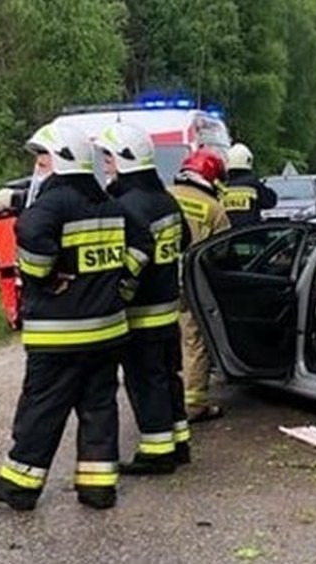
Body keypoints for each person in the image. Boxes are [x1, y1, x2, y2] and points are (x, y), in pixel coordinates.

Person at [0, 122, 154, 511]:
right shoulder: (110, 204)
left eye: (43, 157)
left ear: (60, 159)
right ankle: (97, 488)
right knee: (99, 409)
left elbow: (29, 232)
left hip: (59, 336)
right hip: (107, 330)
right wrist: (120, 286)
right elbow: (143, 244)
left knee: (41, 408)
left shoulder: (53, 204)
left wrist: (42, 276)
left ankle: (19, 485)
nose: (40, 166)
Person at [95, 123, 192, 475]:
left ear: (123, 159)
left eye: (108, 156)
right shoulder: (164, 198)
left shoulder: (128, 205)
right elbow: (185, 240)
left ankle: (157, 452)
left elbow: (134, 260)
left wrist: (116, 293)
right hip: (167, 310)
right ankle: (179, 443)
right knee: (168, 377)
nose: (105, 162)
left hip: (141, 314)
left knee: (145, 382)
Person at [169, 148, 231, 422]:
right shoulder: (214, 209)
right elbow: (223, 253)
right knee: (194, 342)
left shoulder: (165, 195)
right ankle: (194, 405)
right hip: (192, 286)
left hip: (157, 283)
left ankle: (162, 401)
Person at [220, 142, 277, 227]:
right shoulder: (253, 185)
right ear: (248, 161)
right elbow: (271, 201)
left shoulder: (221, 186)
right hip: (250, 235)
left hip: (225, 236)